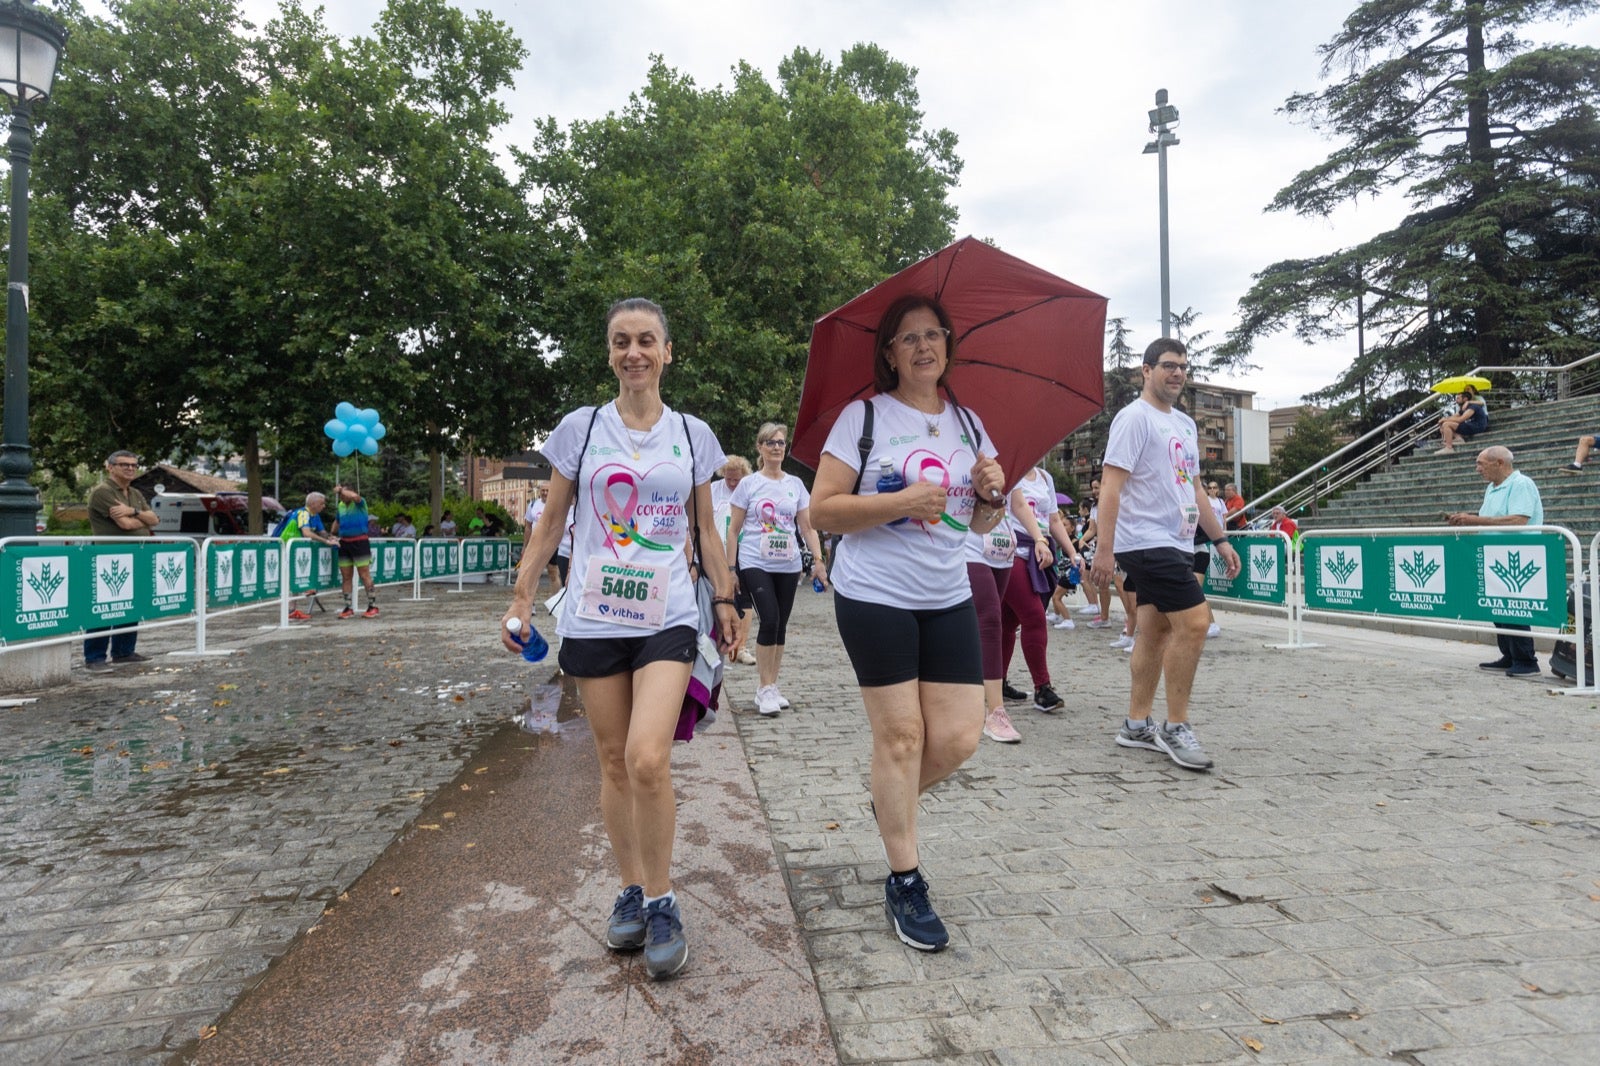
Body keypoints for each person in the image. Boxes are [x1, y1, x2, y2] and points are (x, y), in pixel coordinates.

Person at [501, 297, 740, 981]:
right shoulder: (582, 428)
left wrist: (724, 597)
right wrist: (523, 597)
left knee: (645, 757)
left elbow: (706, 531)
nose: (633, 352)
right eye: (620, 341)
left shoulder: (693, 435)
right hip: (594, 614)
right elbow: (549, 524)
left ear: (668, 352)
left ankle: (663, 900)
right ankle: (631, 889)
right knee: (610, 759)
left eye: (645, 341)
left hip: (666, 614)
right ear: (609, 353)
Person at [809, 294, 1007, 952]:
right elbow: (823, 512)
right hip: (875, 594)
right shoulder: (863, 418)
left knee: (958, 737)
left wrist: (989, 498)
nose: (922, 347)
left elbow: (980, 525)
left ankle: (888, 802)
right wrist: (898, 500)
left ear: (949, 345)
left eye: (933, 335)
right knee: (900, 738)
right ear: (889, 353)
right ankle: (905, 878)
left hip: (947, 592)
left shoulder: (971, 426)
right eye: (907, 338)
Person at [1090, 339, 1241, 772]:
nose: (1177, 374)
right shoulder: (1133, 419)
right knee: (1195, 623)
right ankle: (1176, 726)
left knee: (1154, 631)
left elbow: (1192, 488)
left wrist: (1220, 540)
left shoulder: (1185, 425)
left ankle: (1136, 725)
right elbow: (1111, 486)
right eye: (1168, 366)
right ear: (1146, 370)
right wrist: (1104, 549)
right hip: (1143, 540)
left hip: (1175, 539)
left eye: (1183, 368)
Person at [725, 423, 826, 716]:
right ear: (760, 447)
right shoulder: (749, 484)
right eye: (770, 442)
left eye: (781, 443)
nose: (776, 447)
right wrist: (732, 569)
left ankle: (770, 686)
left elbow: (806, 526)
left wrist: (818, 561)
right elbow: (734, 530)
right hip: (755, 561)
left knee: (780, 624)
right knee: (768, 619)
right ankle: (765, 686)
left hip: (788, 563)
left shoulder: (794, 484)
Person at [1447, 445, 1544, 678]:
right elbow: (1493, 520)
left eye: (1481, 463)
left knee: (1514, 608)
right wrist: (1469, 520)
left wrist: (1476, 520)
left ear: (1500, 463)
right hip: (1493, 554)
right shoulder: (1492, 488)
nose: (1477, 468)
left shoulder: (1521, 484)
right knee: (1498, 607)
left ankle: (1526, 660)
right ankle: (1510, 655)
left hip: (1517, 556)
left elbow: (1519, 520)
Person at [998, 466, 1073, 712]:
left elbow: (1053, 520)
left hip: (1041, 552)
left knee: (1009, 621)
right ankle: (1043, 688)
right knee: (1033, 616)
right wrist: (1039, 540)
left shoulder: (1045, 477)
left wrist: (1073, 553)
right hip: (1012, 550)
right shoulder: (1009, 470)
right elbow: (1018, 507)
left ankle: (997, 682)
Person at [83, 450, 159, 673]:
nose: (130, 469)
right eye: (124, 465)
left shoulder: (134, 492)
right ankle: (94, 657)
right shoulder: (102, 492)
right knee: (104, 607)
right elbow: (125, 525)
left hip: (135, 555)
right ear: (110, 467)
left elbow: (154, 519)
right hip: (109, 557)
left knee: (130, 604)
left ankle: (123, 651)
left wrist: (133, 511)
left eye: (134, 465)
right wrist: (141, 519)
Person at [712, 456, 758, 665]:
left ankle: (741, 647)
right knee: (719, 595)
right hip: (718, 550)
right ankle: (720, 642)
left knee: (745, 598)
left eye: (736, 480)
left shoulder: (751, 488)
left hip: (744, 550)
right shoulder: (713, 490)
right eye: (729, 479)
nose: (732, 484)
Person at [280, 492, 340, 621]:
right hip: (288, 549)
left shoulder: (315, 515)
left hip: (299, 551)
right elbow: (307, 533)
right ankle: (292, 608)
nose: (324, 506)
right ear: (312, 504)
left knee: (297, 578)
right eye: (321, 503)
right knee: (292, 579)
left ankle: (293, 609)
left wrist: (330, 537)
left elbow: (322, 532)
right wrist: (326, 542)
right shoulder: (303, 513)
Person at [331, 484, 379, 618]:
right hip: (344, 542)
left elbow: (355, 497)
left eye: (345, 493)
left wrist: (341, 489)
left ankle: (372, 606)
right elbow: (337, 521)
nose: (342, 496)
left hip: (360, 541)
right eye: (341, 495)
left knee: (364, 574)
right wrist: (330, 533)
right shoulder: (340, 505)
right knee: (346, 576)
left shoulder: (360, 503)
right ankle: (348, 607)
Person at [1437, 384, 1488, 453]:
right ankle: (1458, 439)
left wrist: (1445, 420)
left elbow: (1461, 419)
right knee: (1445, 423)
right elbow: (1455, 416)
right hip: (1471, 425)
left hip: (1478, 426)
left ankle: (1449, 448)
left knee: (1447, 424)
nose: (1456, 400)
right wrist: (1444, 420)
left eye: (1458, 398)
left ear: (1465, 399)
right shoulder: (1464, 408)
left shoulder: (1473, 406)